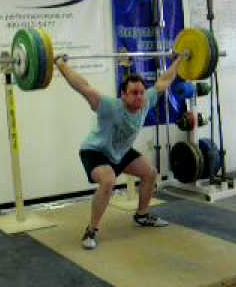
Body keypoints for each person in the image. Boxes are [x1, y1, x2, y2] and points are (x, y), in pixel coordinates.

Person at [54, 54, 182, 249]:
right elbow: (83, 87)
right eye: (133, 93)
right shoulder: (109, 106)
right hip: (95, 151)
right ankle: (91, 230)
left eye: (141, 92)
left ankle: (142, 215)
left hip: (120, 152)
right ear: (123, 95)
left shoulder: (145, 102)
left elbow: (164, 81)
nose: (139, 96)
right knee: (108, 180)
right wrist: (60, 64)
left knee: (150, 173)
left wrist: (181, 59)